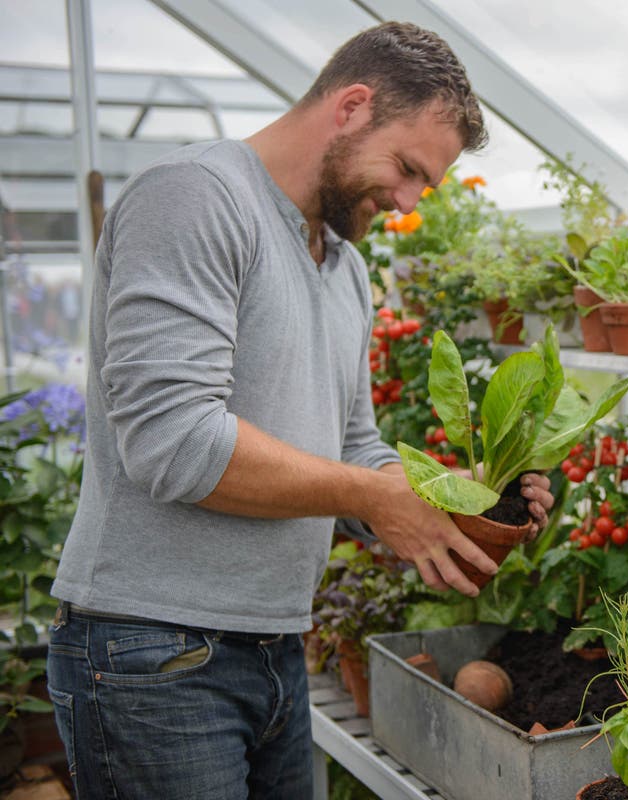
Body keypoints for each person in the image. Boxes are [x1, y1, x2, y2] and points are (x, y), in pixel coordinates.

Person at [46, 21, 554, 800]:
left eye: (429, 185)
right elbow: (175, 443)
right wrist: (375, 494)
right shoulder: (195, 197)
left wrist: (455, 499)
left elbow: (352, 444)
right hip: (153, 654)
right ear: (351, 106)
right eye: (409, 168)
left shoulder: (345, 267)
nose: (410, 200)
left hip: (276, 646)